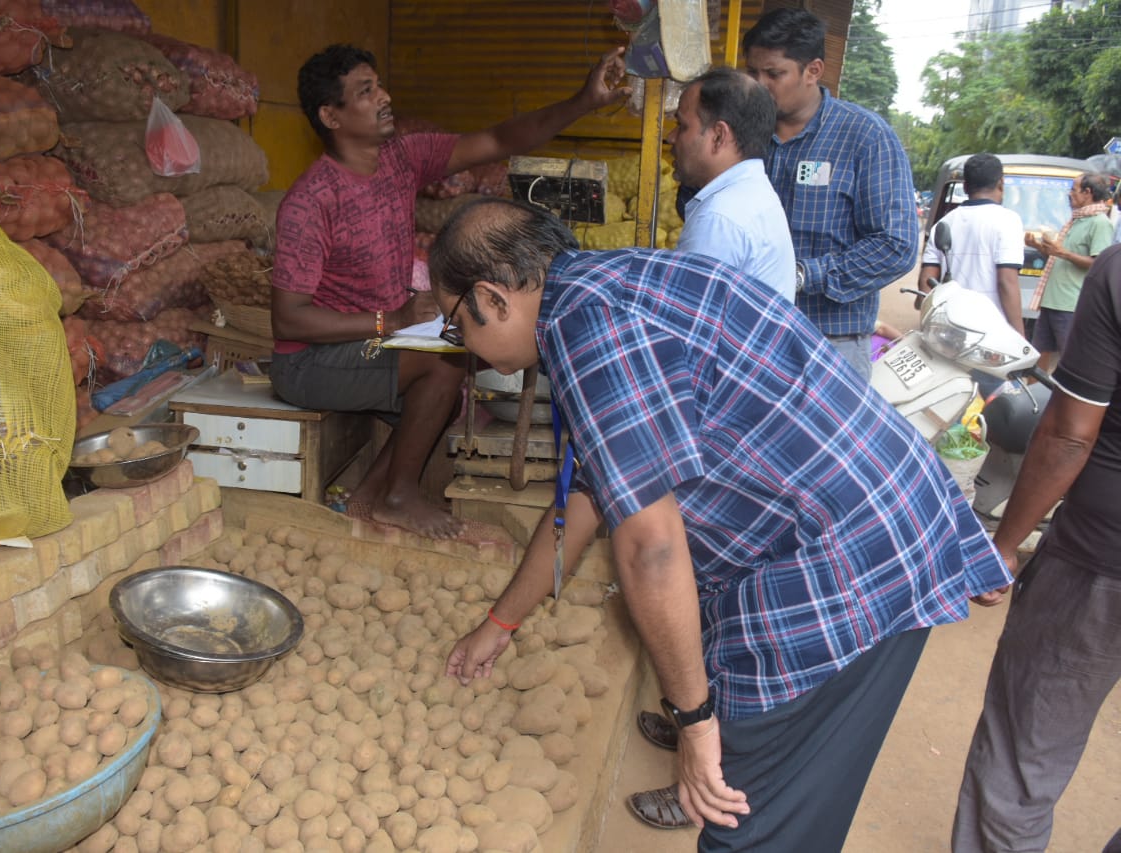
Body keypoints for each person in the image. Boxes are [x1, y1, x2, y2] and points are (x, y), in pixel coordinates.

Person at [433, 198, 1010, 852]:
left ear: (494, 298)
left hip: (850, 564)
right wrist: (501, 622)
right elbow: (589, 494)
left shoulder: (587, 329)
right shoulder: (613, 282)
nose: (464, 347)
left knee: (747, 821)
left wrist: (698, 725)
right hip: (882, 519)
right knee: (767, 789)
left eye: (457, 327)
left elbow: (652, 550)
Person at [270, 43, 629, 539]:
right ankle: (397, 496)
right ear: (331, 115)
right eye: (366, 91)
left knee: (458, 353)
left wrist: (583, 102)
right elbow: (288, 318)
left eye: (379, 85)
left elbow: (499, 138)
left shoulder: (400, 159)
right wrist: (390, 321)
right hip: (312, 362)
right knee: (444, 362)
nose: (384, 97)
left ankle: (371, 495)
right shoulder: (310, 202)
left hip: (372, 344)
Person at [952, 243, 1121, 853]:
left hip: (1099, 560)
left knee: (1026, 750)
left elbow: (1070, 434)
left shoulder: (1117, 271)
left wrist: (1005, 544)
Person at [742, 8, 919, 380]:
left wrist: (805, 275)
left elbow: (896, 245)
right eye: (752, 72)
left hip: (832, 343)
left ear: (813, 70)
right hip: (751, 335)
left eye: (773, 74)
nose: (759, 85)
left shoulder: (865, 137)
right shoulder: (743, 134)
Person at [667, 67, 795, 300]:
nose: (671, 137)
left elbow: (687, 315)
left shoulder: (719, 219)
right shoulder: (751, 193)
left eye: (683, 126)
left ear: (718, 136)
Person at [919, 153, 1026, 334]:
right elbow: (1006, 282)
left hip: (950, 326)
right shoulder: (1008, 221)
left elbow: (926, 281)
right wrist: (1019, 335)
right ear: (1001, 183)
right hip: (991, 329)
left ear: (965, 186)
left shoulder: (943, 224)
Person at [1025, 171, 1113, 373]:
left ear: (1087, 193)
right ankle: (1034, 391)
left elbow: (1098, 263)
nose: (1069, 194)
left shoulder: (1099, 222)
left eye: (1074, 190)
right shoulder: (1076, 219)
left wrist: (1062, 252)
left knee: (1070, 359)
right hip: (1051, 301)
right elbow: (1059, 257)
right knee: (1039, 354)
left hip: (1070, 304)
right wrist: (1039, 247)